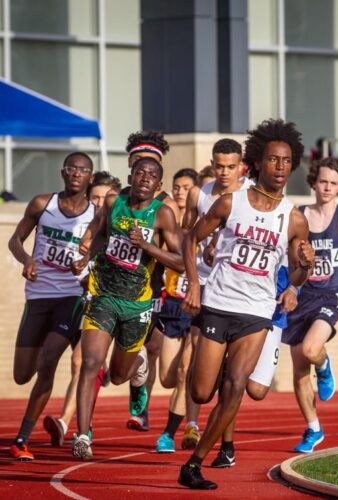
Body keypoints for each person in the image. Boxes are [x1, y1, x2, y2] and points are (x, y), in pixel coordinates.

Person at [177, 118, 315, 490]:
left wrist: (302, 271)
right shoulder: (230, 203)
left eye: (287, 161)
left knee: (237, 386)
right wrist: (193, 282)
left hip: (256, 312)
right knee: (201, 392)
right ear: (257, 162)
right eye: (273, 160)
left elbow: (298, 274)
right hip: (219, 304)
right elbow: (190, 239)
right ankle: (214, 372)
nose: (281, 167)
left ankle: (194, 464)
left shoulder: (295, 218)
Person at [71, 157, 184, 460]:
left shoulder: (162, 215)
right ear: (132, 176)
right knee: (91, 361)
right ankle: (82, 435)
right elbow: (103, 235)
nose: (145, 178)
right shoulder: (113, 201)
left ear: (159, 185)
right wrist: (87, 259)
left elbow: (181, 263)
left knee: (119, 375)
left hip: (137, 304)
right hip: (103, 294)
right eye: (141, 173)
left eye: (152, 175)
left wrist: (146, 246)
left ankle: (138, 372)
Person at [8, 152, 96, 460]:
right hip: (38, 296)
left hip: (71, 297)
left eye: (82, 170)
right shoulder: (41, 204)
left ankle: (21, 439)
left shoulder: (97, 215)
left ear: (90, 177)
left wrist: (87, 265)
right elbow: (15, 240)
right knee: (22, 374)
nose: (76, 173)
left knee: (48, 363)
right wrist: (27, 259)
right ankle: (102, 369)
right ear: (63, 171)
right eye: (72, 168)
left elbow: (101, 250)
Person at [283, 157, 338, 453]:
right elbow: (286, 255)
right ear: (313, 182)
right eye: (323, 181)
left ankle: (324, 365)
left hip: (330, 297)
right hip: (301, 296)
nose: (327, 187)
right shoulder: (300, 216)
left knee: (311, 350)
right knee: (298, 372)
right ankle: (313, 429)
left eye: (334, 183)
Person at [179, 139, 252, 451]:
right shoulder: (201, 193)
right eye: (219, 166)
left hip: (236, 289)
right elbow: (187, 235)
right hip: (203, 286)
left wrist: (220, 245)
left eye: (230, 166)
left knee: (232, 373)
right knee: (195, 355)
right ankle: (192, 425)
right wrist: (191, 279)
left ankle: (226, 440)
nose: (224, 172)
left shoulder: (250, 194)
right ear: (212, 163)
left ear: (241, 167)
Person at [43, 172, 121, 447]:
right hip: (79, 299)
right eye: (95, 197)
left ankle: (68, 422)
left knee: (81, 362)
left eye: (105, 198)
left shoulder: (120, 228)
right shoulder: (79, 226)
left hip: (111, 304)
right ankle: (74, 423)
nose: (100, 203)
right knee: (83, 364)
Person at [210, 263, 298, 468]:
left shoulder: (294, 231)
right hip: (243, 311)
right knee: (233, 380)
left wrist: (294, 289)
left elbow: (305, 266)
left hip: (274, 315)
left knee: (257, 390)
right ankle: (227, 449)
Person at [122, 132, 181, 431]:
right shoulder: (117, 198)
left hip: (155, 283)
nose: (144, 168)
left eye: (152, 164)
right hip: (115, 284)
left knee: (153, 348)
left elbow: (177, 251)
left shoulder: (167, 205)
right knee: (134, 348)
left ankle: (142, 406)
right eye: (138, 162)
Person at [154, 168, 198, 452]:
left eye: (186, 188)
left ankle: (171, 432)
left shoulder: (207, 227)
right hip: (171, 305)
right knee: (167, 378)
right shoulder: (167, 228)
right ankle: (188, 421)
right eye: (177, 187)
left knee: (184, 371)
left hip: (195, 310)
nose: (181, 192)